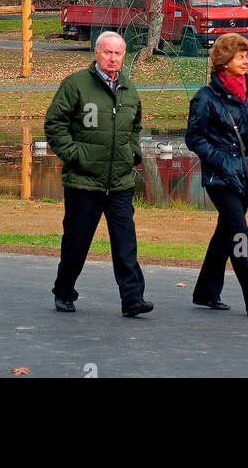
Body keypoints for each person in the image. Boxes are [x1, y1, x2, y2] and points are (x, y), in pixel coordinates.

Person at [44, 30, 153, 317]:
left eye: (118, 53)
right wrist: (75, 155)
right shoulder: (76, 84)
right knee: (77, 242)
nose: (113, 58)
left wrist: (133, 153)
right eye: (108, 52)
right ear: (97, 53)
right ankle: (64, 292)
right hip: (84, 181)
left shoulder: (129, 88)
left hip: (119, 182)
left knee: (125, 244)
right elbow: (55, 124)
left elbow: (135, 126)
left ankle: (132, 300)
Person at [185, 32, 248, 316]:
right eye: (241, 56)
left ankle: (206, 292)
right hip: (220, 178)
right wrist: (222, 161)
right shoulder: (205, 98)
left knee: (226, 232)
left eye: (246, 56)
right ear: (225, 61)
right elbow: (195, 139)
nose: (247, 61)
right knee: (239, 233)